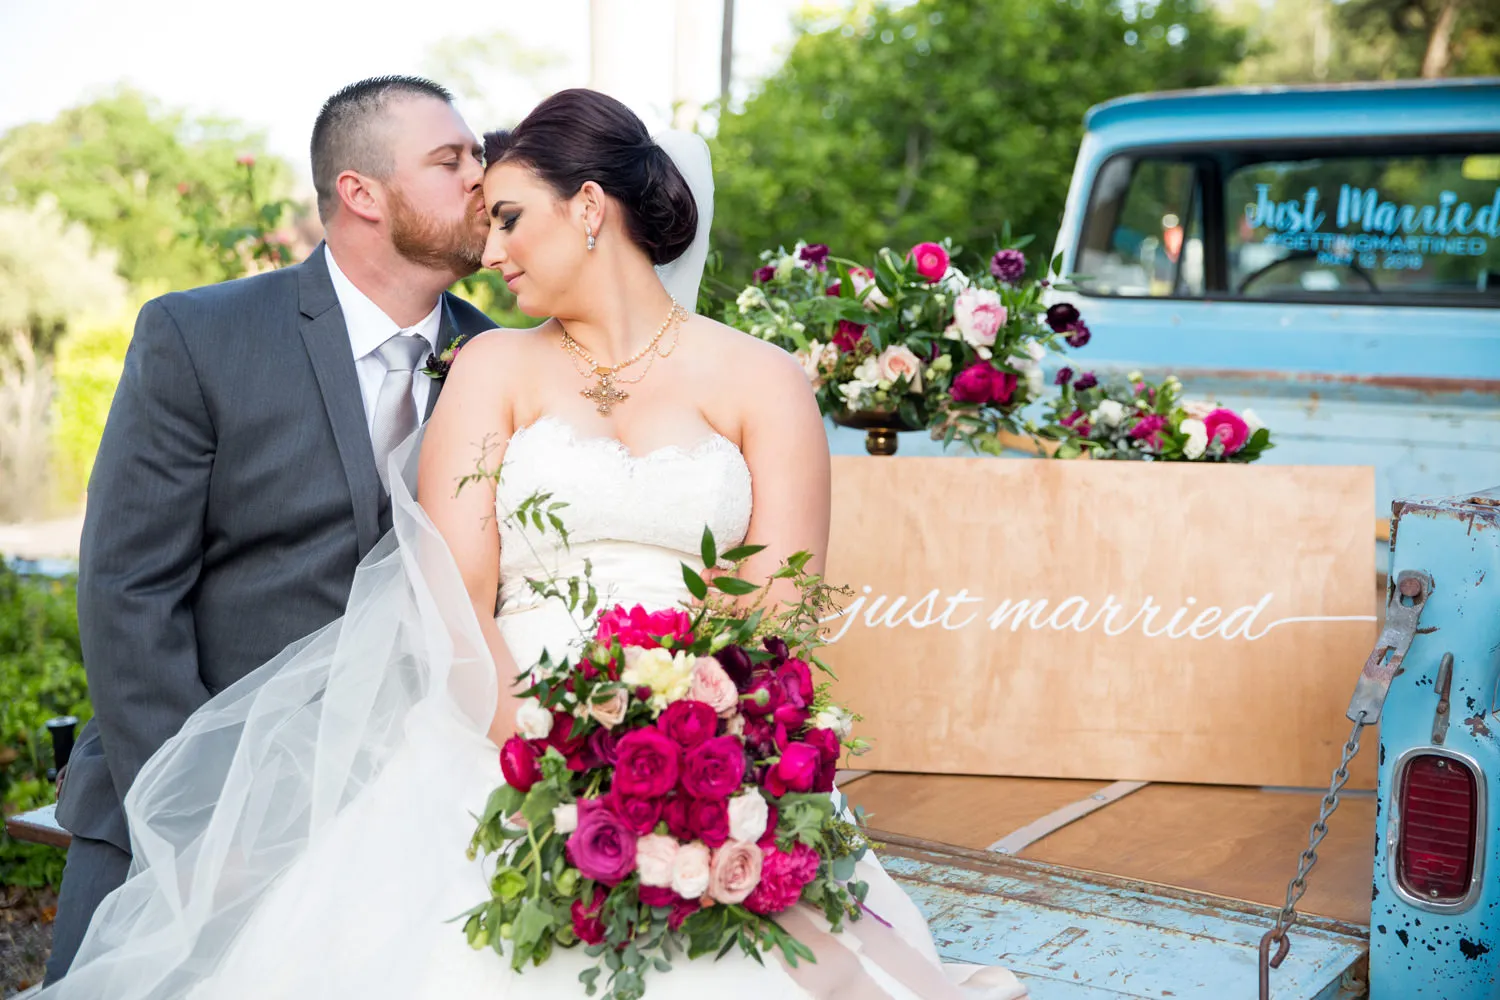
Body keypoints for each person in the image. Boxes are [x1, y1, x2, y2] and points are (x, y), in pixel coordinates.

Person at [41, 88, 1027, 1000]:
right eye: (464, 181)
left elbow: (773, 613)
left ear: (590, 207)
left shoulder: (759, 380)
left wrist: (685, 755)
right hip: (468, 736)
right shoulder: (479, 364)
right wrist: (562, 767)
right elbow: (446, 597)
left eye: (508, 210)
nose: (489, 226)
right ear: (361, 190)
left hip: (703, 741)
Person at [45, 74, 495, 985]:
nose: (483, 180)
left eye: (479, 157)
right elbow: (128, 591)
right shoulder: (199, 335)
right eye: (451, 160)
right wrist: (202, 824)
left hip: (400, 828)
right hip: (185, 798)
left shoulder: (495, 360)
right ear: (359, 193)